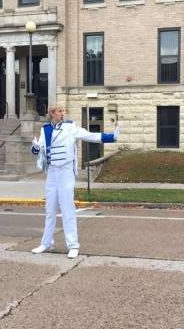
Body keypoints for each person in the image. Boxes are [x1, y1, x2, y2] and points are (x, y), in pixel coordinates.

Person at [30, 105, 119, 259]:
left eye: (63, 111)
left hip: (65, 172)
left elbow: (89, 135)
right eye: (59, 111)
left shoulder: (70, 127)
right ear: (52, 114)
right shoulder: (45, 130)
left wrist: (111, 137)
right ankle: (46, 242)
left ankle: (73, 245)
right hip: (52, 172)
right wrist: (36, 148)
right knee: (49, 209)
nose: (62, 113)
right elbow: (39, 151)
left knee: (67, 209)